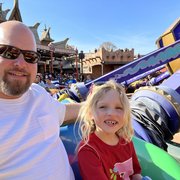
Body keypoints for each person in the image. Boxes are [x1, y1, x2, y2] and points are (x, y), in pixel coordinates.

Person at [0, 20, 82, 180]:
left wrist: (99, 105)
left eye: (30, 56)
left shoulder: (38, 93)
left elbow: (65, 112)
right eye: (9, 52)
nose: (21, 63)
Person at [77, 80, 151, 180]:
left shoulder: (126, 142)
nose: (111, 113)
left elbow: (135, 173)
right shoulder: (88, 150)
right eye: (103, 107)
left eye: (119, 108)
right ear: (90, 113)